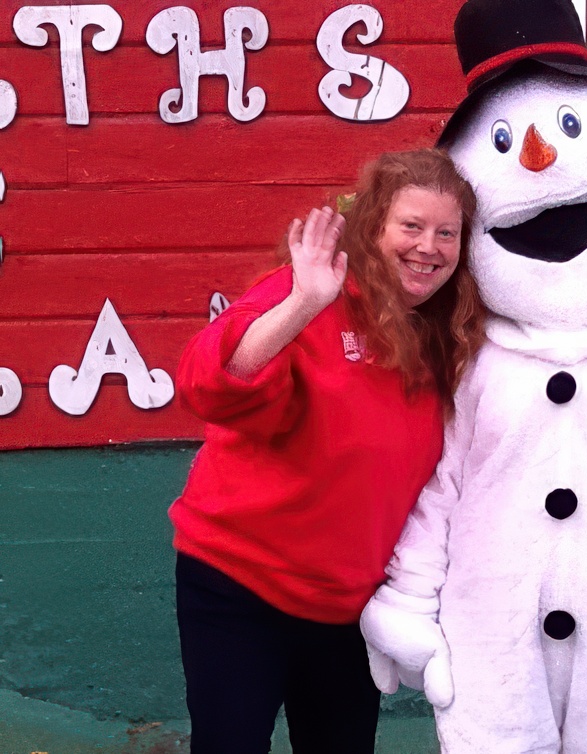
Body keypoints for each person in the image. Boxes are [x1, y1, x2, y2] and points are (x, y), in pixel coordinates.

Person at [169, 149, 483, 754]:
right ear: (374, 227)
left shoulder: (448, 330)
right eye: (411, 226)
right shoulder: (315, 290)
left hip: (348, 606)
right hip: (242, 584)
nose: (429, 247)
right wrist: (302, 304)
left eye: (447, 233)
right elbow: (212, 384)